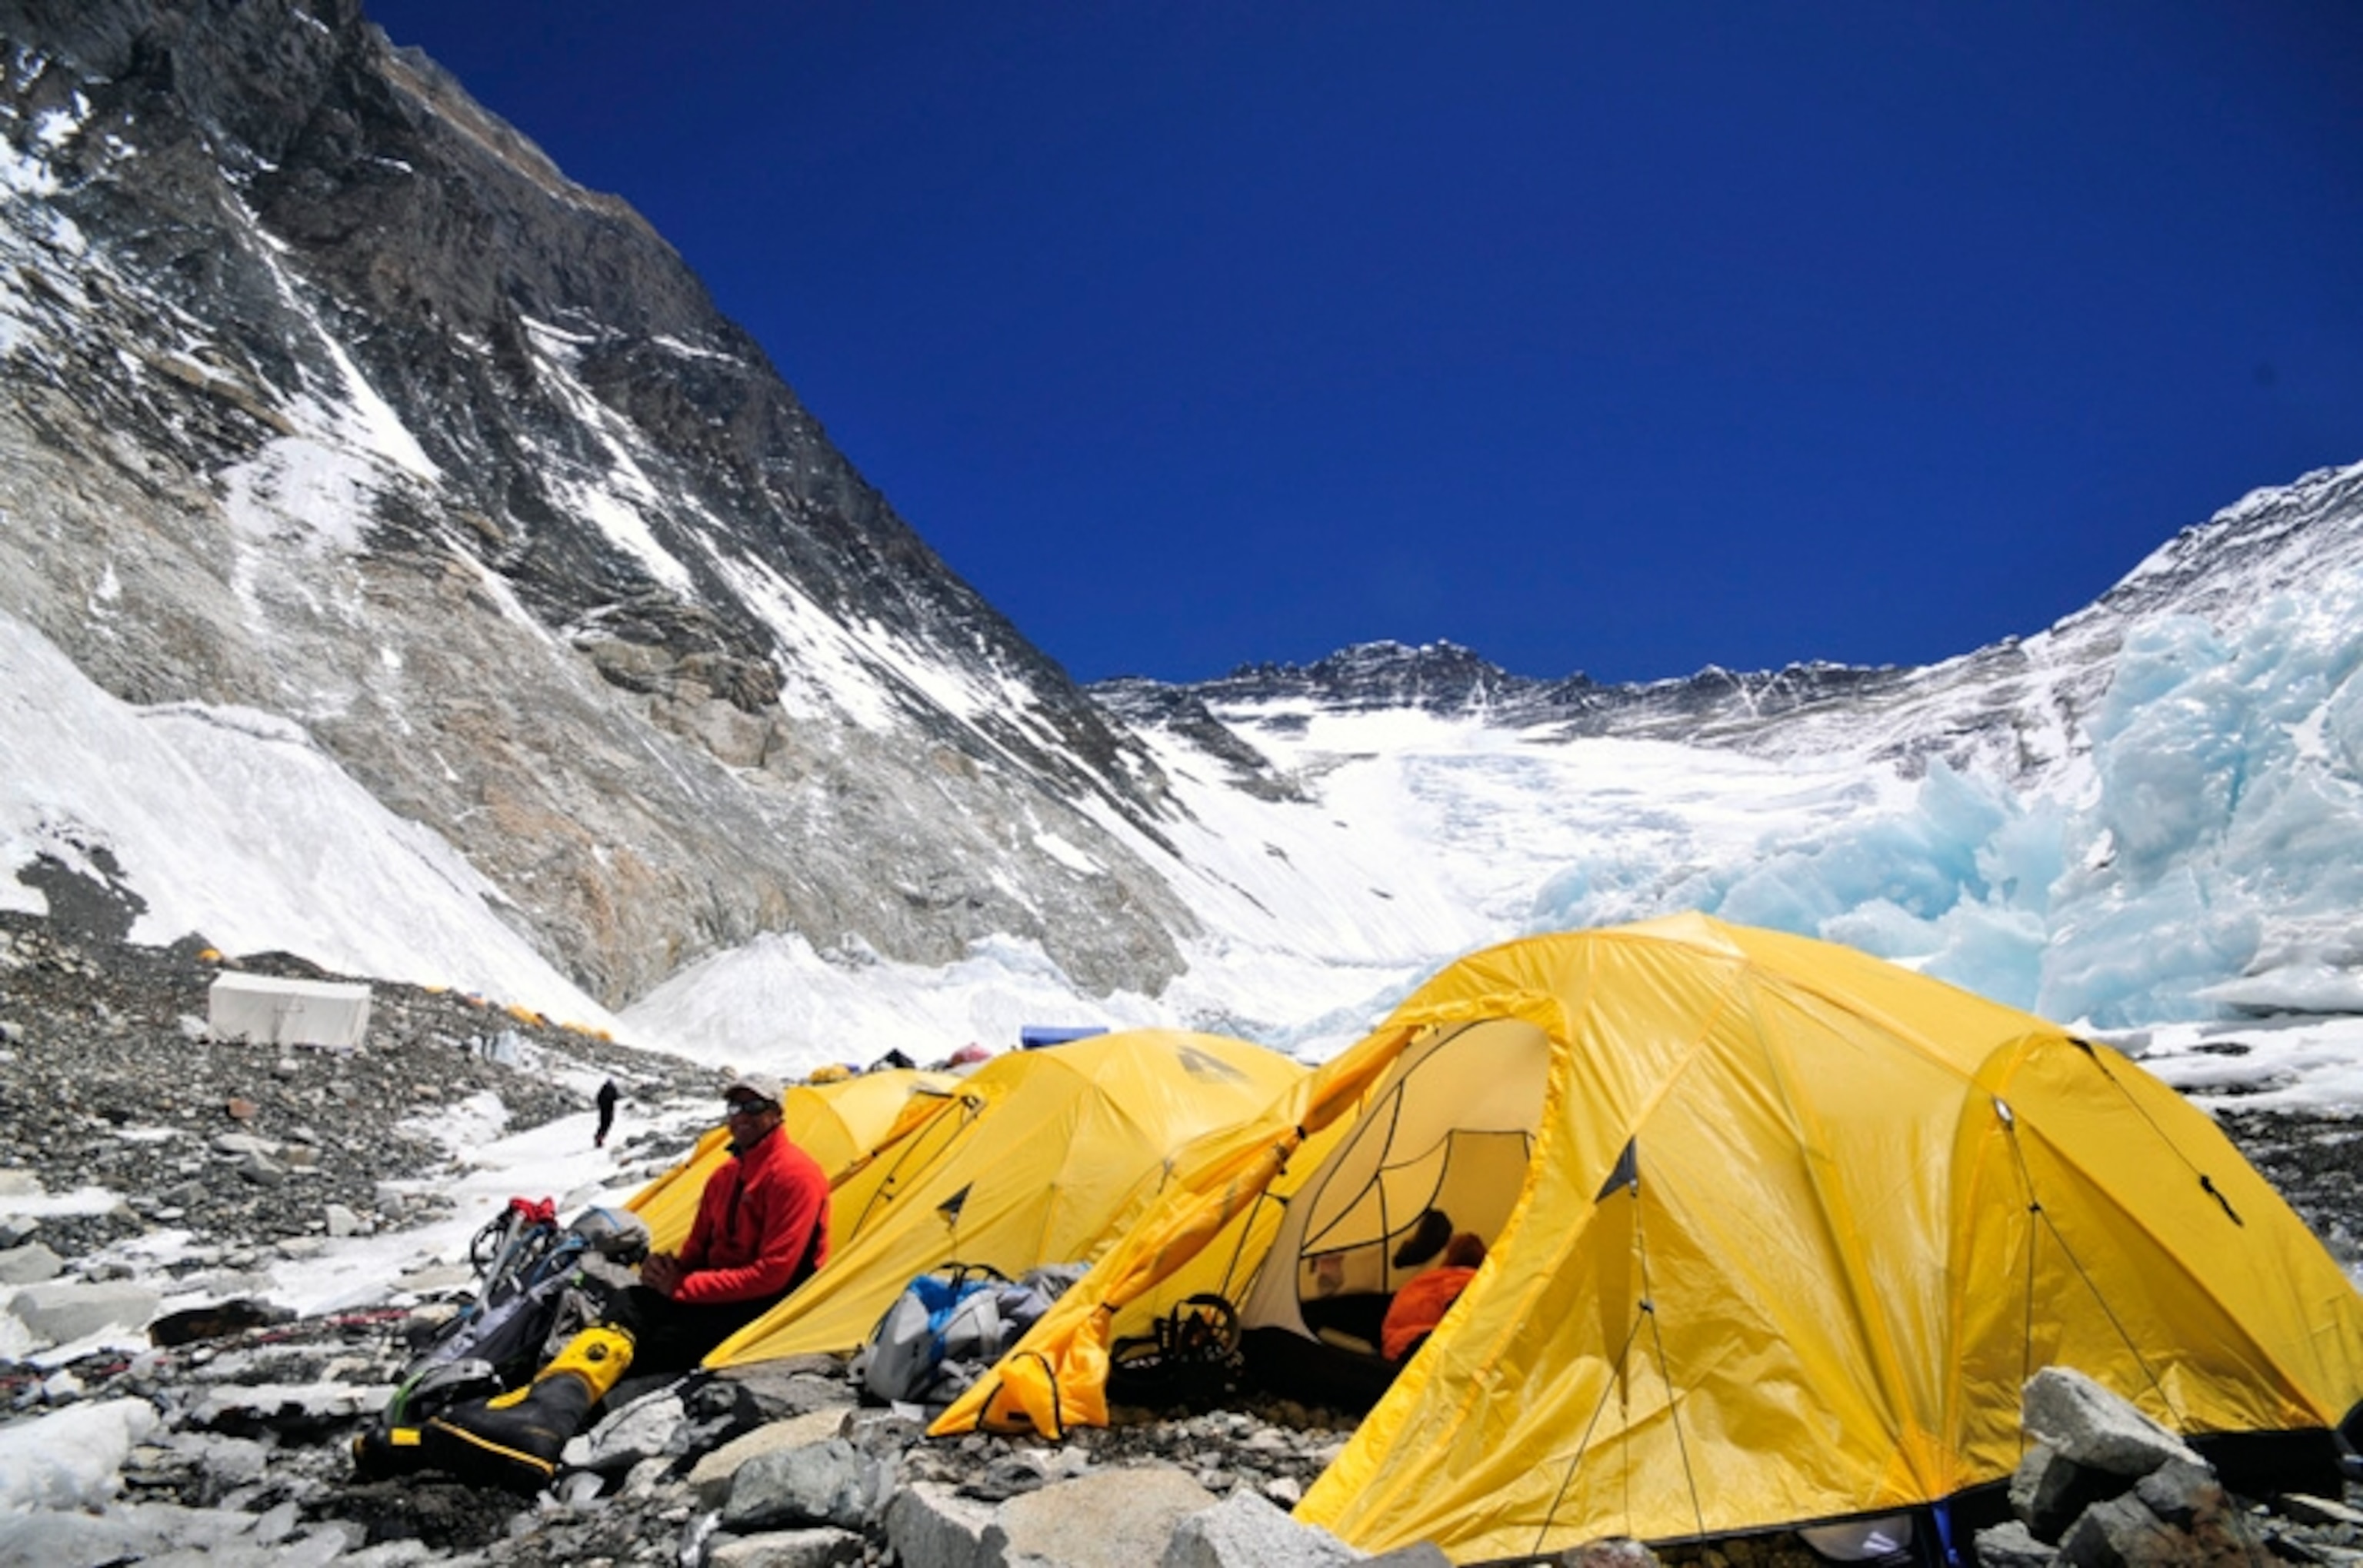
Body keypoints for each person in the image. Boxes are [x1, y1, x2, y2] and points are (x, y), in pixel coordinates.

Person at [421, 1072, 831, 1489]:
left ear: (777, 1115)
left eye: (753, 1107)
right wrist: (665, 1272)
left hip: (765, 1308)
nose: (741, 1116)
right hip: (715, 1294)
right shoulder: (724, 1178)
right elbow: (695, 1254)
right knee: (630, 1302)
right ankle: (539, 1409)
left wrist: (683, 1289)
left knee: (650, 1342)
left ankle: (551, 1421)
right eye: (734, 1107)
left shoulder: (795, 1176)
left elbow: (774, 1273)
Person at [1380, 1230, 1485, 1362]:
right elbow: (1457, 1310)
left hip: (1395, 1345)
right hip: (1422, 1342)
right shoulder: (1467, 1279)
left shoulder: (1427, 1279)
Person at [593, 1077, 618, 1148]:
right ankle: (600, 1138)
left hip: (603, 1110)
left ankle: (599, 1137)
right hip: (609, 1109)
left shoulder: (603, 1090)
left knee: (603, 1124)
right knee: (607, 1124)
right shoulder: (612, 1090)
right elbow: (616, 1097)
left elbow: (598, 1099)